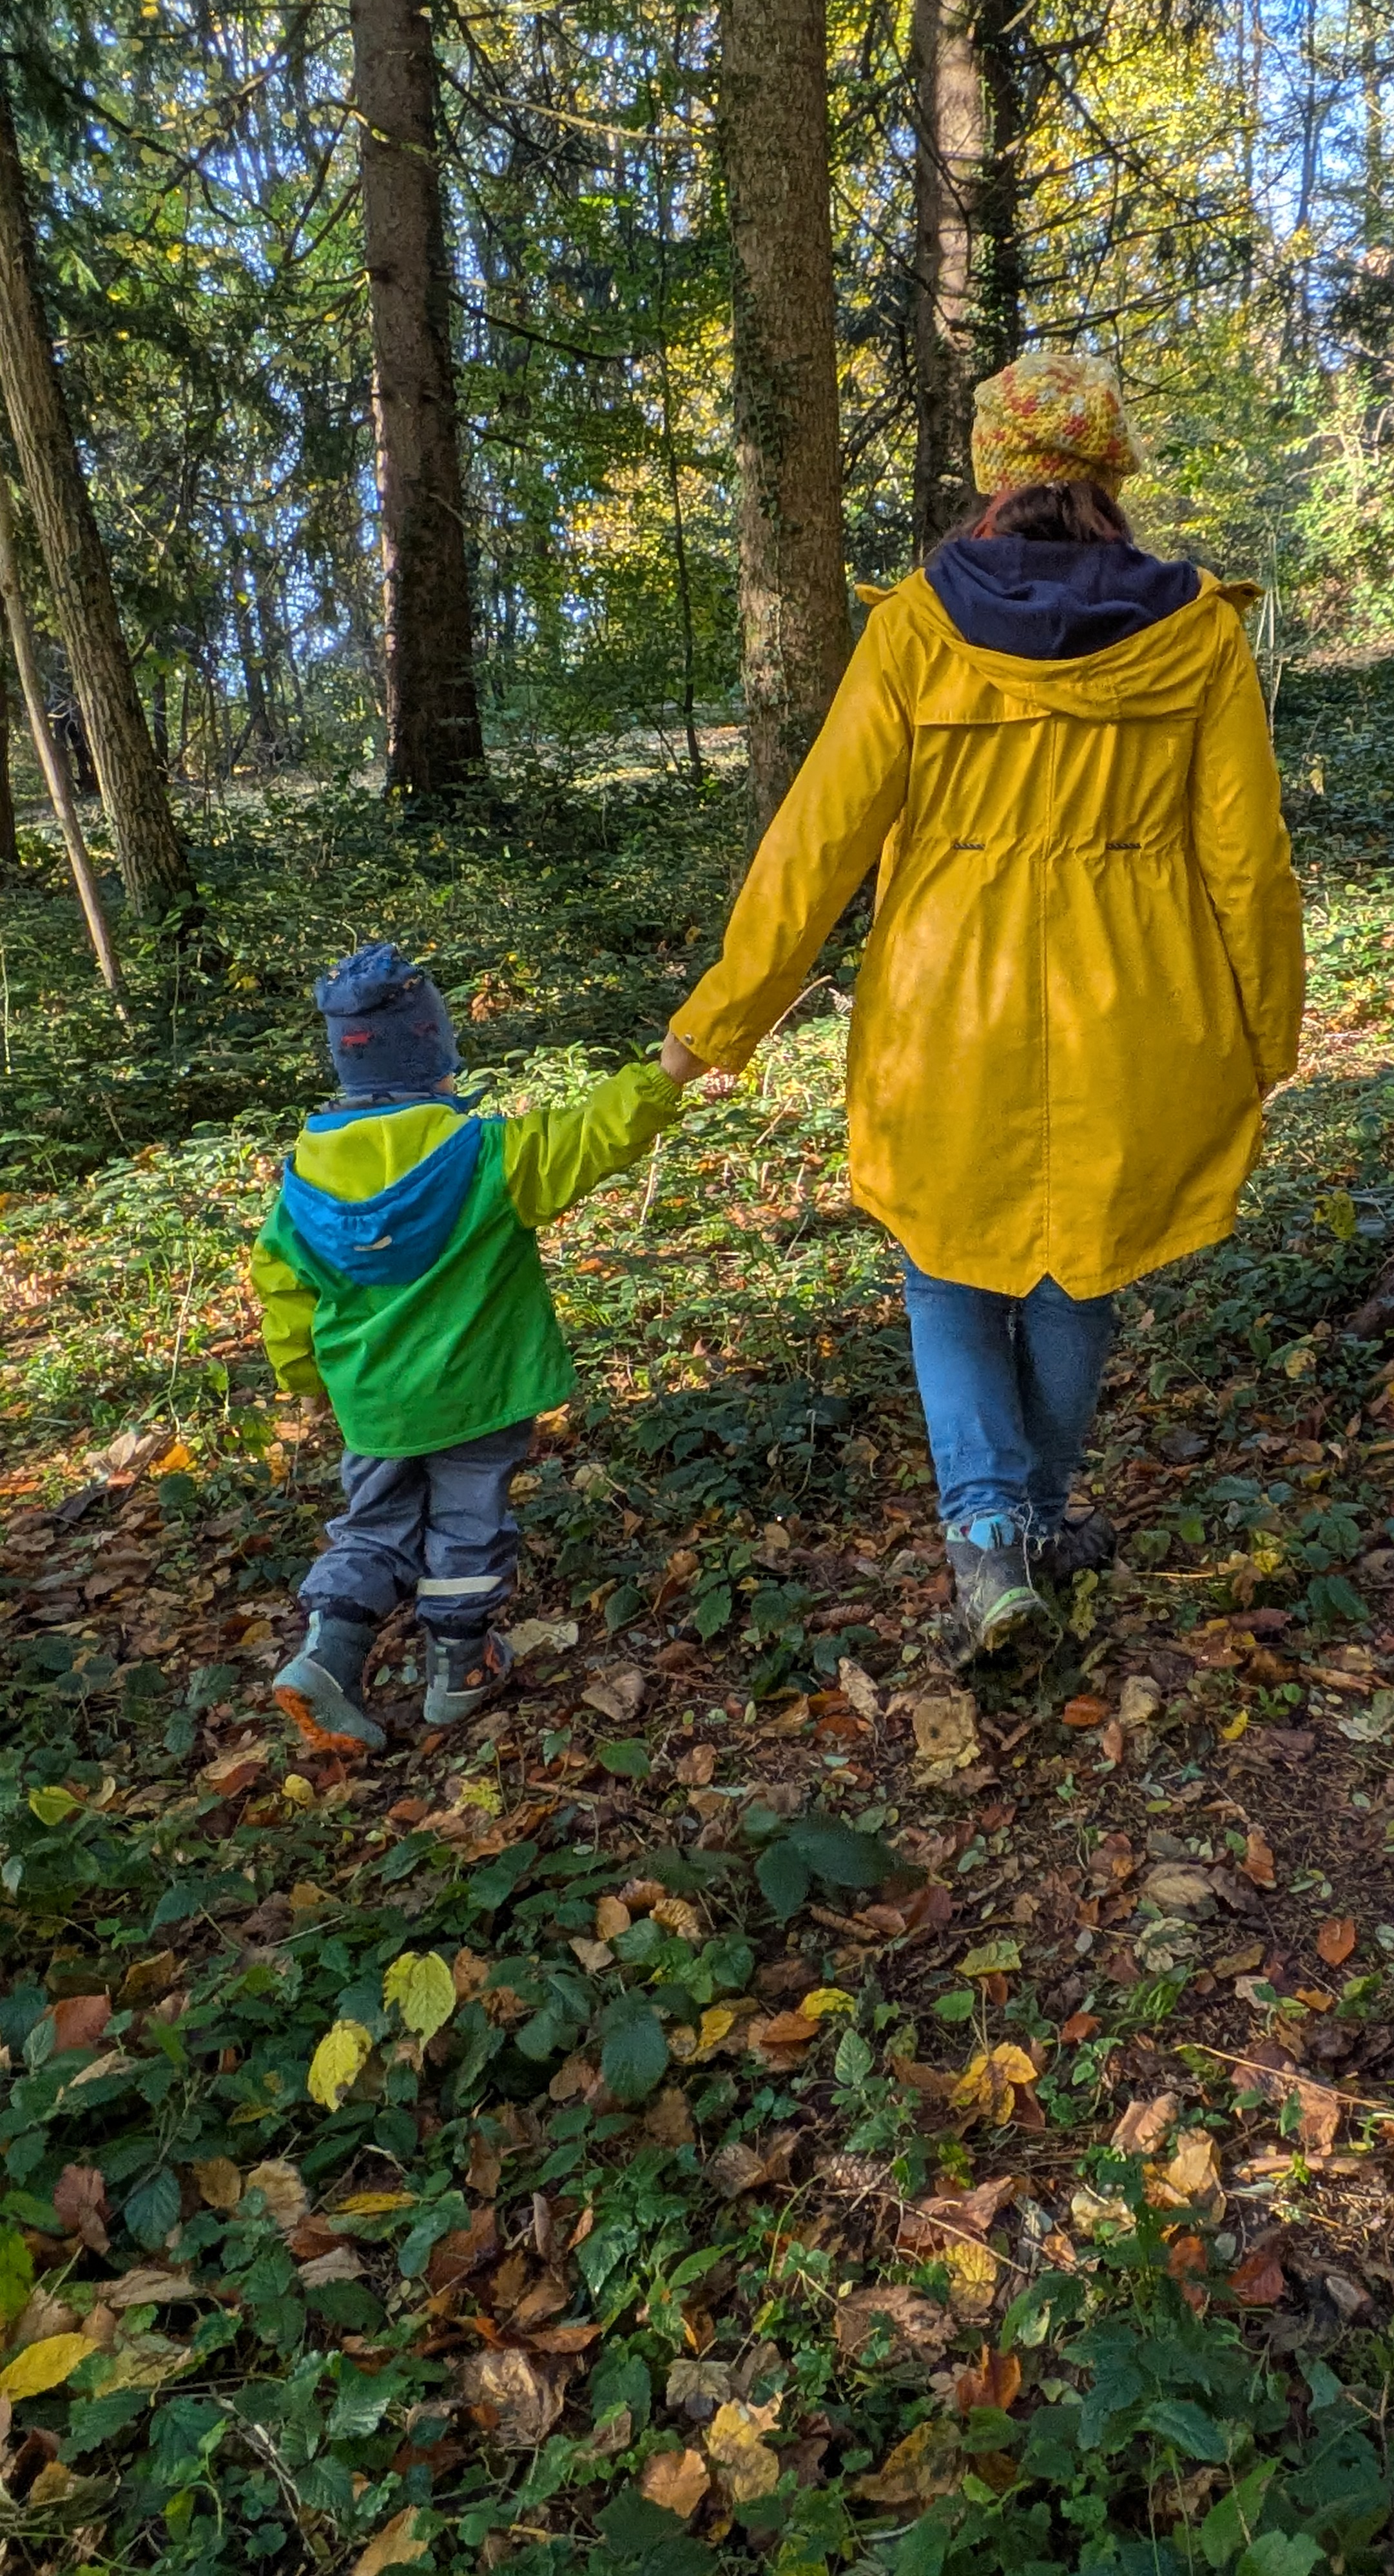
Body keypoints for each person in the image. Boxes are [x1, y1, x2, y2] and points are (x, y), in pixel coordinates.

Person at [662, 351, 1305, 1661]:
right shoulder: (1195, 628)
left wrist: (720, 1017)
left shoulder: (914, 621)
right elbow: (1248, 859)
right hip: (1140, 1004)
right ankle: (1039, 1519)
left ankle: (987, 1541)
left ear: (989, 469)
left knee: (948, 1267)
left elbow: (818, 838)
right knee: (1081, 1269)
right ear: (1111, 466)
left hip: (946, 1005)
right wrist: (1264, 1030)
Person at [255, 943, 683, 1754]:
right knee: (465, 1524)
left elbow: (282, 1285)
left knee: (373, 1526)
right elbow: (589, 1136)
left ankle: (326, 1656)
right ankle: (458, 1670)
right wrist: (662, 1075)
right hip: (477, 1394)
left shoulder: (302, 1184)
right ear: (436, 1055)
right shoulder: (488, 1157)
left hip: (373, 1403)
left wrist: (305, 1378)